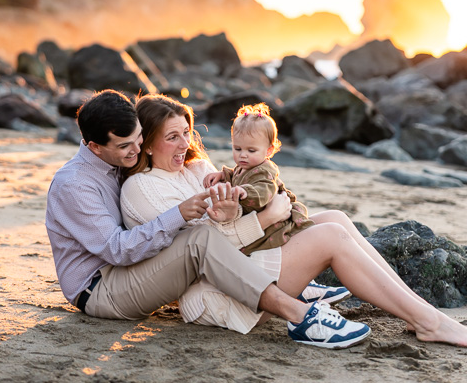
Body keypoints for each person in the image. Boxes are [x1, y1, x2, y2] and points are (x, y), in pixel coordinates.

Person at [120, 92, 467, 347]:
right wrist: (269, 215)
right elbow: (201, 255)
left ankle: (419, 310)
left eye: (186, 132)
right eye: (172, 137)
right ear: (147, 144)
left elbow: (241, 199)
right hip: (216, 291)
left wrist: (254, 210)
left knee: (335, 218)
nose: (185, 143)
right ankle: (429, 322)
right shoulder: (141, 188)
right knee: (330, 236)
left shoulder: (194, 168)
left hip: (245, 264)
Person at [46, 89, 372, 349]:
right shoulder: (74, 184)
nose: (136, 149)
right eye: (125, 146)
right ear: (94, 146)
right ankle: (298, 315)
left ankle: (399, 302)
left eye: (138, 139)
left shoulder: (122, 157)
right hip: (101, 289)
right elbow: (117, 250)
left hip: (133, 270)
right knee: (199, 240)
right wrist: (179, 213)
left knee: (332, 219)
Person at [202, 102, 314, 255]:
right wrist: (223, 175)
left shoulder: (264, 171)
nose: (243, 154)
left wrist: (245, 192)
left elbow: (264, 191)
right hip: (258, 217)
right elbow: (236, 176)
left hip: (276, 223)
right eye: (237, 148)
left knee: (255, 246)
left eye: (251, 150)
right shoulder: (245, 166)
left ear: (269, 150)